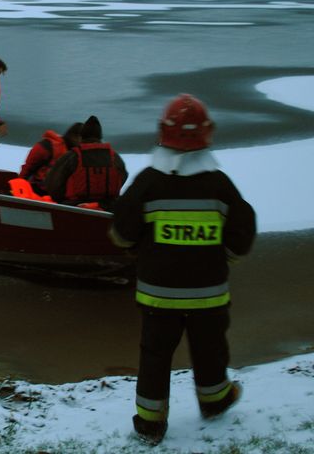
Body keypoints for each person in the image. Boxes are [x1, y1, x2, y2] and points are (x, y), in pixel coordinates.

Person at [108, 94, 256, 445]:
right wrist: (224, 257)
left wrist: (138, 251)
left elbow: (122, 231)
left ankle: (150, 424)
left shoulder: (148, 182)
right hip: (209, 295)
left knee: (155, 355)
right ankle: (215, 401)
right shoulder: (219, 184)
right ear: (207, 134)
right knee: (210, 350)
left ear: (163, 132)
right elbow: (242, 232)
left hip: (158, 296)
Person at [42, 115, 128, 210]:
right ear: (100, 136)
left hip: (74, 206)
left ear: (82, 136)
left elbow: (52, 183)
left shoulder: (72, 156)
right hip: (106, 207)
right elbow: (124, 176)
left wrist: (61, 199)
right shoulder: (115, 157)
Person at [19, 122, 83, 195]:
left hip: (59, 192)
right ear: (73, 136)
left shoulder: (77, 153)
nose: (82, 142)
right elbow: (28, 168)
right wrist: (18, 187)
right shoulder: (47, 146)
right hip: (39, 189)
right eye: (82, 139)